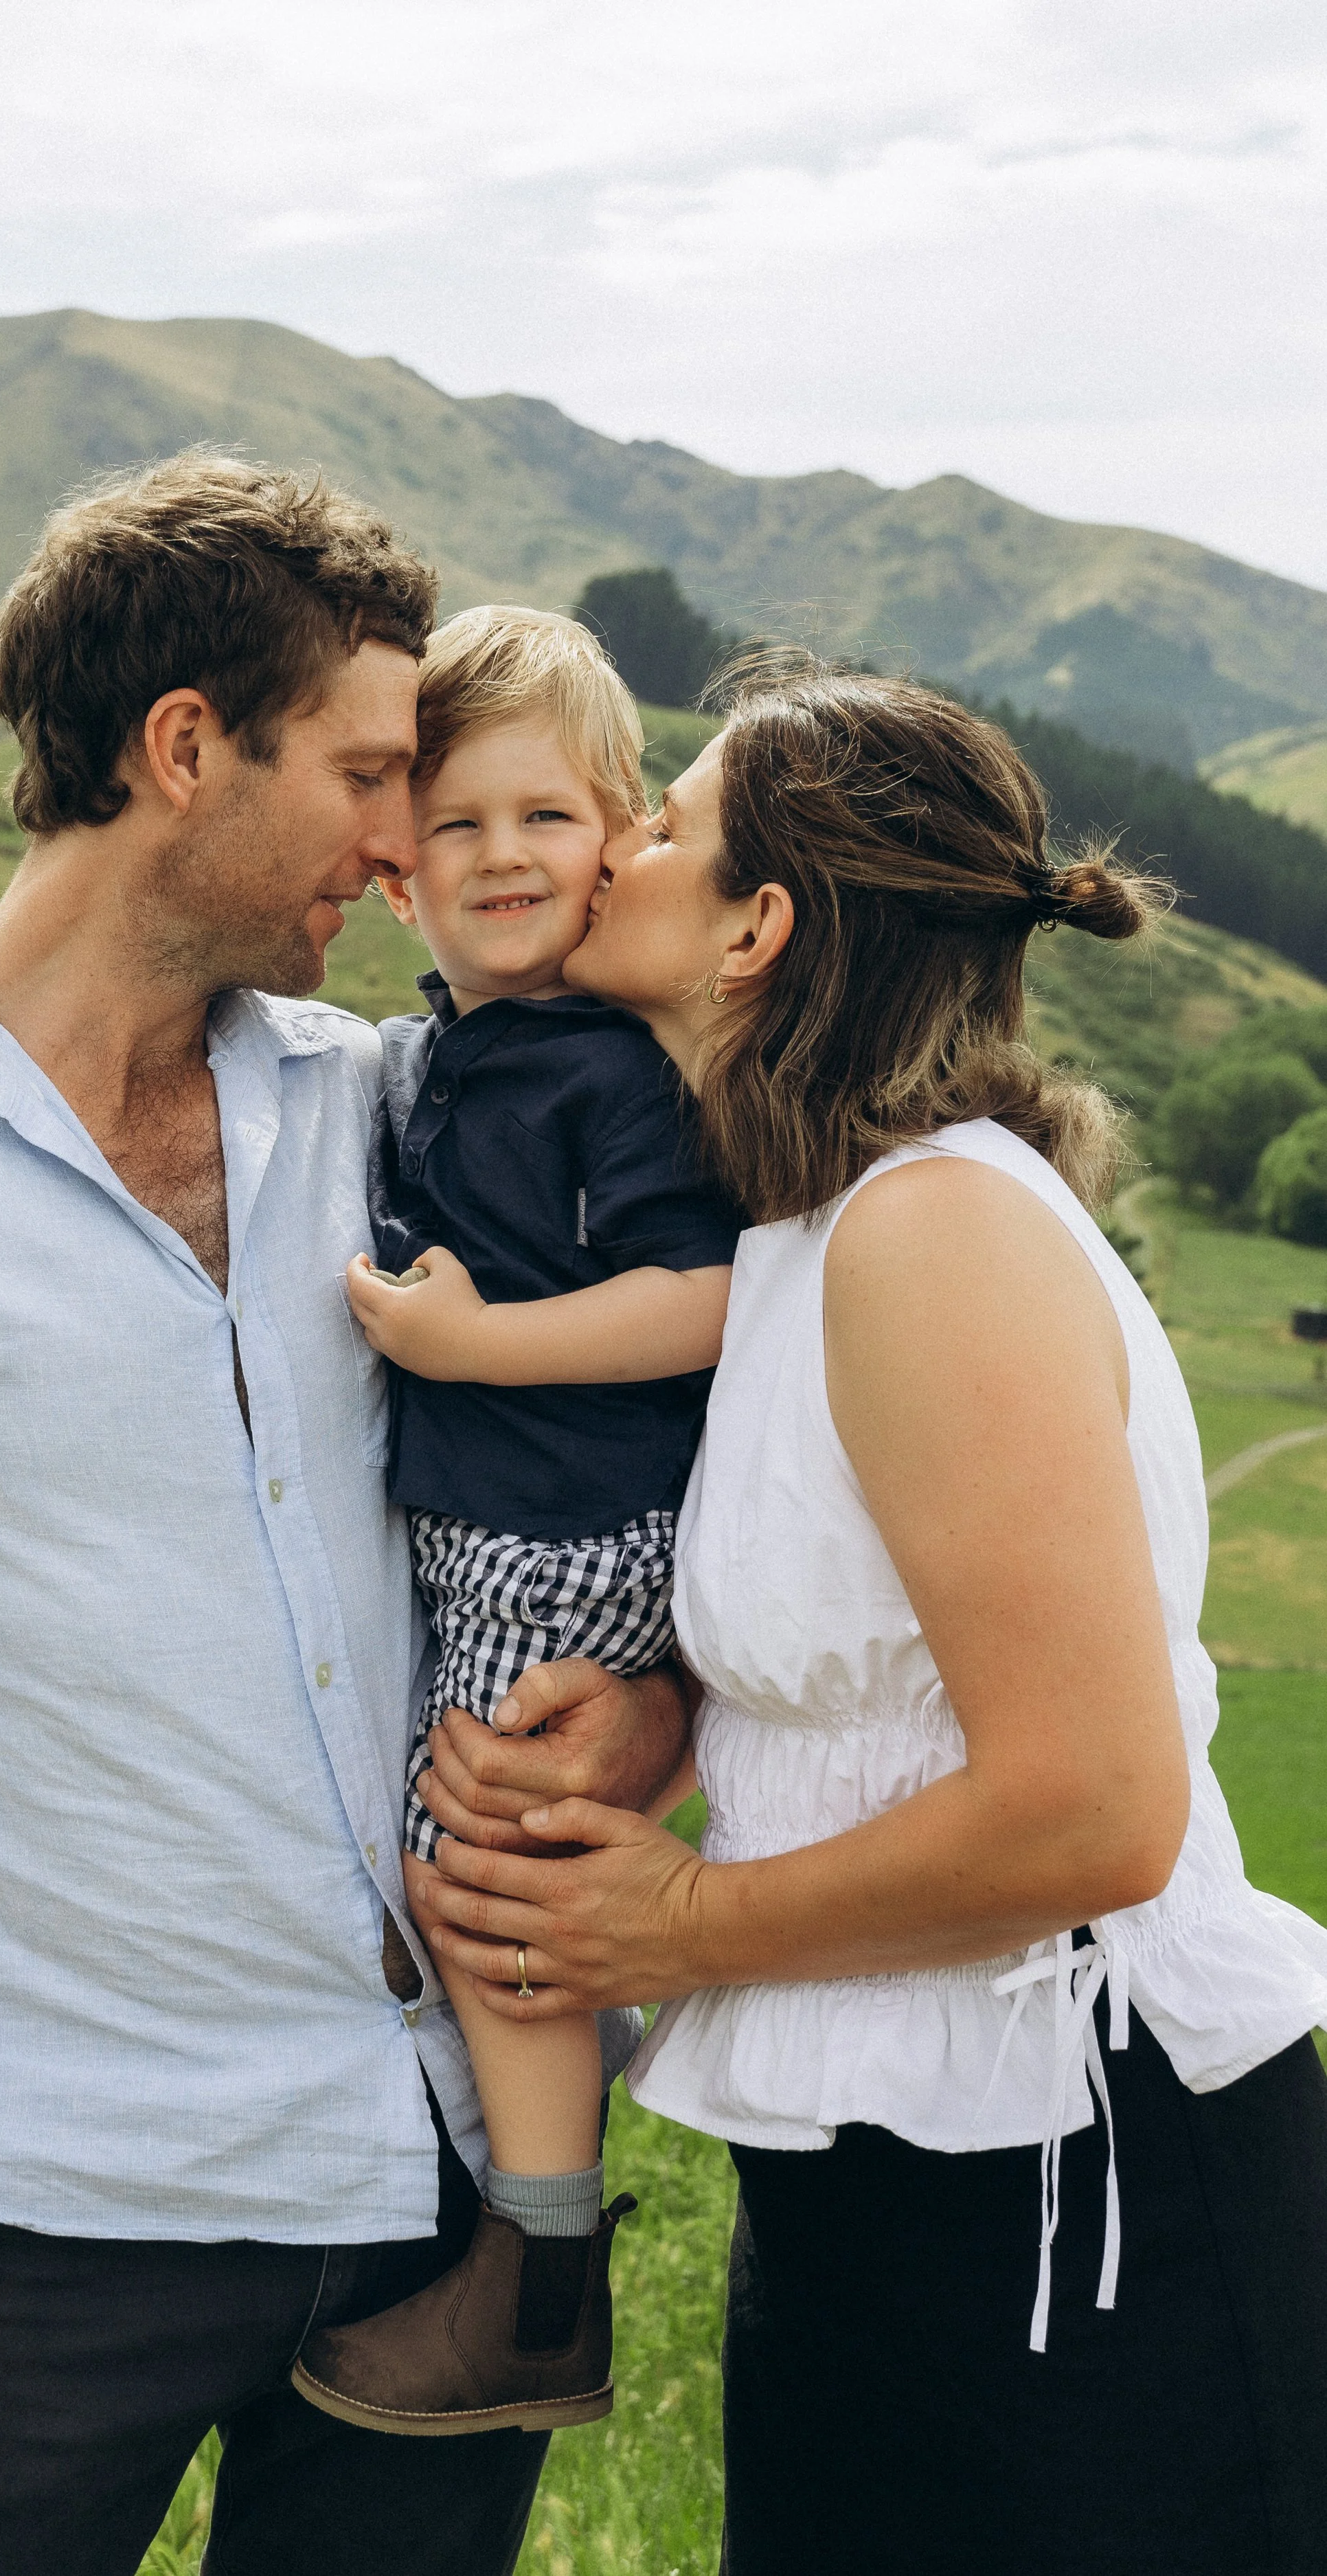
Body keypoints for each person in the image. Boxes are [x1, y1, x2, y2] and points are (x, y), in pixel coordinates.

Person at [0, 456, 691, 2576]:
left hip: (439, 2191)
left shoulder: (384, 1104)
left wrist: (649, 1715)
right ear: (184, 749)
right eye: (374, 773)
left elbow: (616, 1467)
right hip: (58, 2203)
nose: (405, 841)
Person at [407, 661, 1327, 2574]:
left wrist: (674, 1919)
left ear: (756, 927)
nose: (609, 858)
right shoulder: (807, 1229)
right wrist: (658, 1712)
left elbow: (1091, 1807)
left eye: (657, 824)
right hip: (891, 2173)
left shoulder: (931, 1231)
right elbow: (876, 1659)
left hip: (1080, 2194)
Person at [288, 607, 737, 2436]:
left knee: (473, 1885)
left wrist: (479, 1344)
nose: (498, 858)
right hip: (507, 1534)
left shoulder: (604, 1068)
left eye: (544, 818)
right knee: (467, 1868)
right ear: (399, 872)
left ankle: (537, 2273)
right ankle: (537, 2156)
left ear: (623, 833)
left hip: (567, 1537)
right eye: (456, 825)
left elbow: (702, 1294)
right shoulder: (460, 1048)